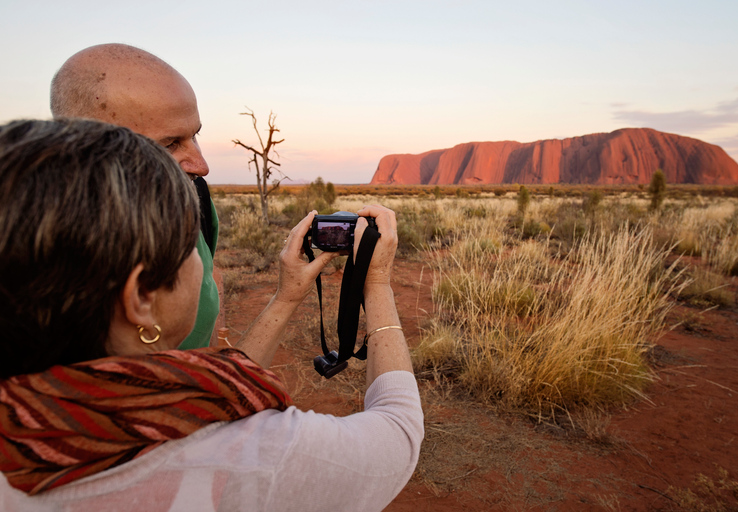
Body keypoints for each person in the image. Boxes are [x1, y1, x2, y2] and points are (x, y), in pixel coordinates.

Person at [0, 119, 423, 511]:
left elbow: (225, 393)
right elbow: (397, 435)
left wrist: (287, 296)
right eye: (190, 247)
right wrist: (377, 283)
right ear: (142, 297)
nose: (203, 263)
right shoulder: (247, 457)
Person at [50, 43, 224, 350]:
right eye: (170, 144)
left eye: (194, 135)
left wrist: (286, 295)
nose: (201, 166)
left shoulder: (193, 198)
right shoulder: (28, 253)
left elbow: (208, 340)